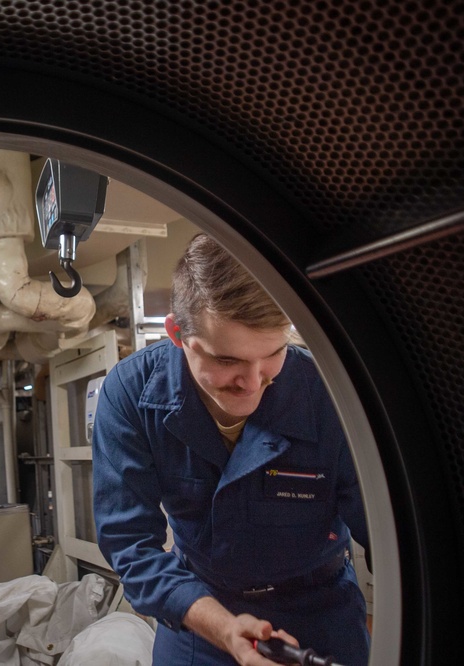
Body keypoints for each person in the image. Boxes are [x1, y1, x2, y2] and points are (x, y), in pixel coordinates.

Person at [92, 233, 370, 666]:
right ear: (177, 335)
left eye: (273, 354)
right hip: (200, 613)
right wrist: (223, 628)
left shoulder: (330, 396)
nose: (254, 382)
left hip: (322, 611)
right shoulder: (130, 395)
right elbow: (132, 547)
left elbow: (392, 531)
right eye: (227, 361)